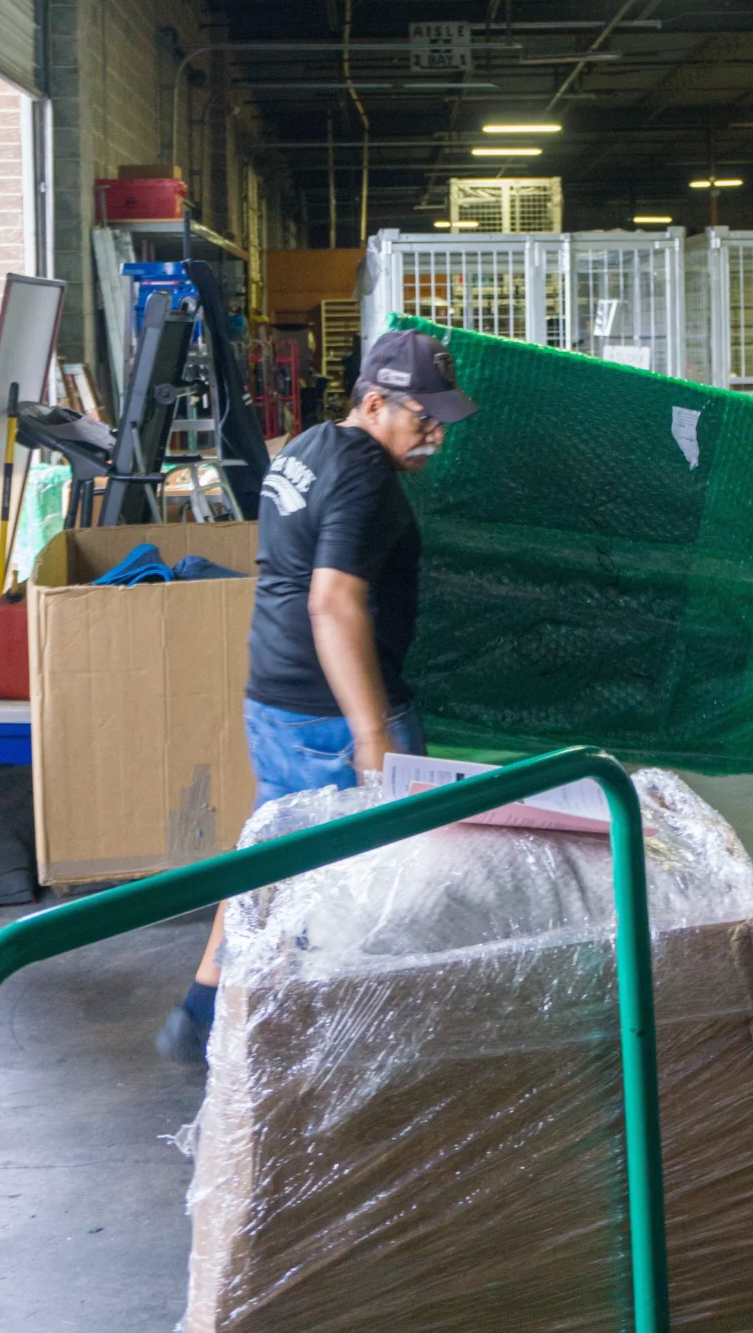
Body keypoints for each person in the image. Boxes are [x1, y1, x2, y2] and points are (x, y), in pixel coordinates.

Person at [157, 329, 477, 1062]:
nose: (434, 436)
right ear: (373, 402)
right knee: (356, 889)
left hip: (274, 696)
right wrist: (371, 734)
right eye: (421, 418)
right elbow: (331, 602)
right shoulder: (366, 473)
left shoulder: (305, 447)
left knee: (275, 850)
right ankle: (326, 1049)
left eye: (441, 421)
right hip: (333, 715)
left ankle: (203, 1006)